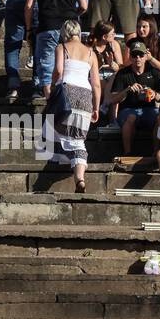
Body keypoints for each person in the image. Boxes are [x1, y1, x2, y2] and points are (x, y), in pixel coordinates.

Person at [36, 20, 99, 192]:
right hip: (85, 96)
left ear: (64, 33)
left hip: (67, 93)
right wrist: (96, 107)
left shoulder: (61, 48)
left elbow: (58, 70)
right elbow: (96, 84)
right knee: (78, 140)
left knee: (51, 125)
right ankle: (79, 177)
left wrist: (50, 86)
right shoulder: (91, 53)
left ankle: (56, 163)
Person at [24, 0, 87, 100]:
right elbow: (84, 6)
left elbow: (29, 5)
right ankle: (67, 97)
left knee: (46, 62)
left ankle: (48, 96)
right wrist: (74, 15)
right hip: (70, 28)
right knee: (69, 62)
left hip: (47, 25)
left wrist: (28, 29)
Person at [110, 42, 160, 159]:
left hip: (149, 109)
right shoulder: (123, 73)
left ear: (146, 56)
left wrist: (154, 94)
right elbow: (113, 99)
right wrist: (127, 90)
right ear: (130, 57)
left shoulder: (154, 72)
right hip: (128, 110)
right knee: (132, 117)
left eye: (140, 55)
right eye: (134, 55)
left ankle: (156, 153)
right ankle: (128, 153)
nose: (137, 58)